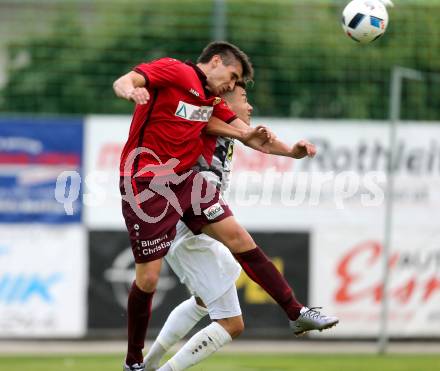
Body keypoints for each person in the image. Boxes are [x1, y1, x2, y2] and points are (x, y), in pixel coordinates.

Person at [113, 41, 337, 371]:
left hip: (186, 181)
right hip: (146, 183)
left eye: (236, 84)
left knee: (238, 238)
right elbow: (125, 80)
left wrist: (291, 151)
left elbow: (249, 134)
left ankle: (296, 312)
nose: (233, 86)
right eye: (232, 77)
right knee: (148, 279)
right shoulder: (176, 71)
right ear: (215, 61)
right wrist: (131, 90)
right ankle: (134, 361)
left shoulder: (210, 102)